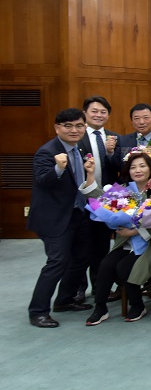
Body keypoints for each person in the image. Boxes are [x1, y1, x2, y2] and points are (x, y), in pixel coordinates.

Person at [27, 109, 95, 328]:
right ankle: (38, 311)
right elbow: (42, 181)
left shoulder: (80, 148)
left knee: (82, 258)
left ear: (84, 127)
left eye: (79, 125)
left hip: (77, 213)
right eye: (68, 126)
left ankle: (65, 299)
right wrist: (58, 167)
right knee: (57, 262)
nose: (74, 130)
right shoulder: (47, 152)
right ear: (57, 128)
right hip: (54, 217)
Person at [81, 151, 151, 325]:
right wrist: (90, 174)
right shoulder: (124, 191)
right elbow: (97, 197)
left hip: (149, 243)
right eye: (133, 167)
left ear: (150, 169)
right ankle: (100, 308)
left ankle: (137, 305)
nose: (138, 170)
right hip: (125, 243)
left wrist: (134, 232)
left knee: (123, 267)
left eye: (142, 166)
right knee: (106, 265)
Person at [77, 96, 121, 304]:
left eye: (103, 112)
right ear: (85, 113)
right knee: (80, 247)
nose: (98, 115)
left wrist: (111, 153)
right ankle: (78, 289)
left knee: (101, 246)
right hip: (82, 199)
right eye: (94, 111)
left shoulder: (114, 138)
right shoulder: (77, 136)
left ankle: (99, 286)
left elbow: (119, 168)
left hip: (105, 200)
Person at [113, 103, 151, 175]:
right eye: (137, 118)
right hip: (127, 181)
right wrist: (110, 152)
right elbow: (115, 167)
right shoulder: (123, 140)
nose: (141, 122)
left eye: (146, 118)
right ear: (132, 122)